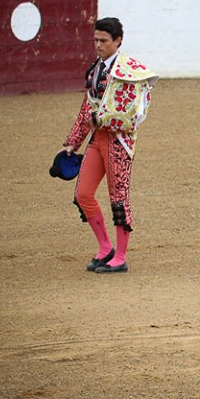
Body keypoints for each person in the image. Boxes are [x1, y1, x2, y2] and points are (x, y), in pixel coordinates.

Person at [62, 17, 159, 274]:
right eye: (95, 40)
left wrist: (101, 119)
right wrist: (73, 142)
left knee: (118, 198)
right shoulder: (96, 69)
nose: (98, 45)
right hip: (98, 140)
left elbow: (131, 115)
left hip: (118, 143)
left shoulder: (129, 72)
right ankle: (106, 248)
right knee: (83, 194)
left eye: (103, 40)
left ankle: (122, 257)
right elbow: (87, 108)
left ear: (118, 41)